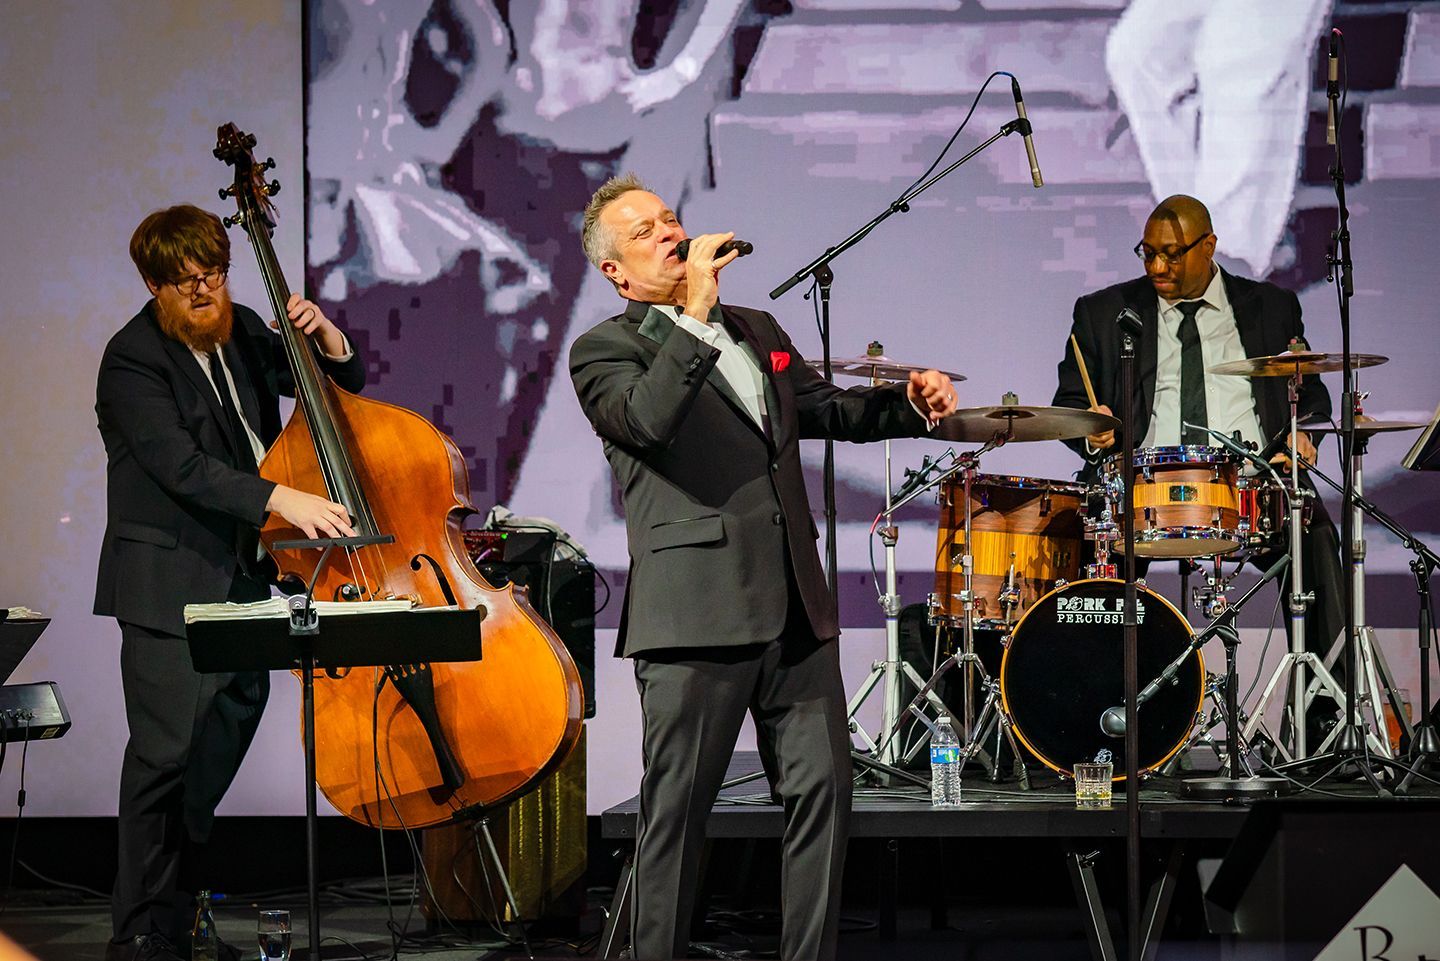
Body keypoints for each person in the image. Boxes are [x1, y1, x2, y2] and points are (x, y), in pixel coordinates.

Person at [569, 174, 958, 960]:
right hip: (694, 616)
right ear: (615, 271)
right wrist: (695, 314)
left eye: (669, 218)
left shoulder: (756, 328)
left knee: (824, 796)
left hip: (795, 608)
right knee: (676, 815)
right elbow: (647, 422)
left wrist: (908, 404)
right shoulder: (605, 350)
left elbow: (826, 409)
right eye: (645, 231)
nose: (669, 233)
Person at [96, 204, 365, 961]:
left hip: (244, 577)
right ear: (153, 285)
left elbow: (332, 390)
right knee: (163, 759)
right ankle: (140, 931)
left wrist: (327, 338)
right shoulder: (132, 360)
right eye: (184, 281)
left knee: (215, 747)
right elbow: (180, 466)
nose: (203, 291)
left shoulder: (242, 327)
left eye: (212, 274)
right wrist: (282, 498)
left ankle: (177, 913)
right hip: (169, 584)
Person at [1052, 194, 1346, 745]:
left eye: (1171, 253)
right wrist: (1092, 431)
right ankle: (1093, 724)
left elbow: (1309, 392)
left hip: (1246, 483)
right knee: (1087, 564)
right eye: (1147, 253)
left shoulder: (1271, 307)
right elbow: (1070, 404)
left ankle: (1324, 722)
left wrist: (1303, 432)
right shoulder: (1104, 311)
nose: (1157, 266)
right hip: (1141, 485)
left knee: (1319, 541)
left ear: (1208, 246)